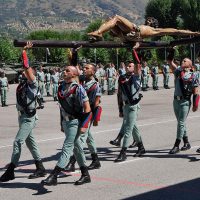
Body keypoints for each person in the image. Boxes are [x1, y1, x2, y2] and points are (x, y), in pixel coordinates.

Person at [0, 41, 46, 182]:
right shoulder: (24, 83)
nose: (25, 72)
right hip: (22, 116)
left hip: (29, 117)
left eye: (28, 71)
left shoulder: (33, 83)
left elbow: (26, 67)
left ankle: (11, 170)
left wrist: (24, 52)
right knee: (30, 143)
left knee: (17, 142)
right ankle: (40, 168)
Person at [41, 65, 92, 186]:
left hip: (75, 122)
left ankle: (54, 175)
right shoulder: (61, 87)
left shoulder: (78, 88)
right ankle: (86, 175)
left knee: (67, 147)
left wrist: (85, 125)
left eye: (67, 71)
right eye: (64, 70)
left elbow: (87, 108)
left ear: (74, 74)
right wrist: (61, 123)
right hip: (66, 122)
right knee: (77, 148)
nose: (64, 72)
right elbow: (62, 108)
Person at [65, 63, 102, 172]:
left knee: (80, 139)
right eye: (84, 68)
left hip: (87, 114)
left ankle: (72, 162)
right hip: (80, 113)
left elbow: (96, 103)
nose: (84, 70)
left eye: (87, 68)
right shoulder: (83, 81)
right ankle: (96, 160)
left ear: (93, 71)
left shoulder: (95, 85)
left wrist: (95, 119)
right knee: (88, 138)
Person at [167, 49, 199, 154]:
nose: (183, 61)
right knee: (181, 122)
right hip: (175, 101)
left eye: (185, 61)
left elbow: (196, 91)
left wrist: (195, 104)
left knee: (181, 123)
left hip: (185, 102)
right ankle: (186, 142)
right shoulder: (178, 71)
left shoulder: (193, 75)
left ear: (190, 65)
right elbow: (170, 63)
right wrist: (172, 51)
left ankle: (176, 145)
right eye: (182, 60)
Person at [88, 15, 200, 44]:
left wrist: (194, 33)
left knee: (117, 18)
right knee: (110, 19)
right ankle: (98, 35)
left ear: (154, 24)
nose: (148, 20)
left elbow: (176, 31)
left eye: (151, 20)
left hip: (134, 33)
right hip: (125, 36)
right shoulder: (144, 26)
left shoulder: (156, 30)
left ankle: (98, 33)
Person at [114, 61, 145, 162]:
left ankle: (123, 152)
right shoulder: (122, 77)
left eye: (130, 66)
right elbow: (119, 94)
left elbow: (137, 67)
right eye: (127, 65)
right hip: (125, 105)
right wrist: (120, 109)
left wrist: (135, 54)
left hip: (133, 106)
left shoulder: (136, 77)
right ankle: (141, 147)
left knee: (128, 129)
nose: (127, 67)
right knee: (134, 128)